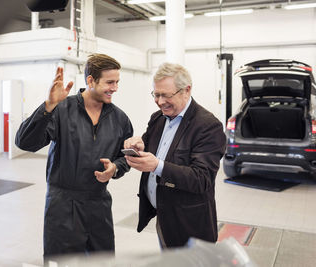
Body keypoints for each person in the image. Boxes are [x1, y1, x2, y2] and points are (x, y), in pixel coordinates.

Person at [15, 54, 133, 259]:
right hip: (63, 205)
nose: (115, 88)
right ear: (90, 81)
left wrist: (115, 168)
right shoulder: (62, 109)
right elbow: (25, 142)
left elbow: (125, 157)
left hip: (99, 204)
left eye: (117, 82)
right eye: (110, 82)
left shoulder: (119, 118)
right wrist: (48, 106)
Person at [124, 62, 226, 248]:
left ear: (186, 90)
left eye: (166, 95)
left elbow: (201, 179)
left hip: (191, 227)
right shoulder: (158, 118)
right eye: (156, 94)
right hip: (164, 218)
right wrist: (139, 144)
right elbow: (150, 145)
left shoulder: (208, 126)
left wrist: (157, 166)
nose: (160, 101)